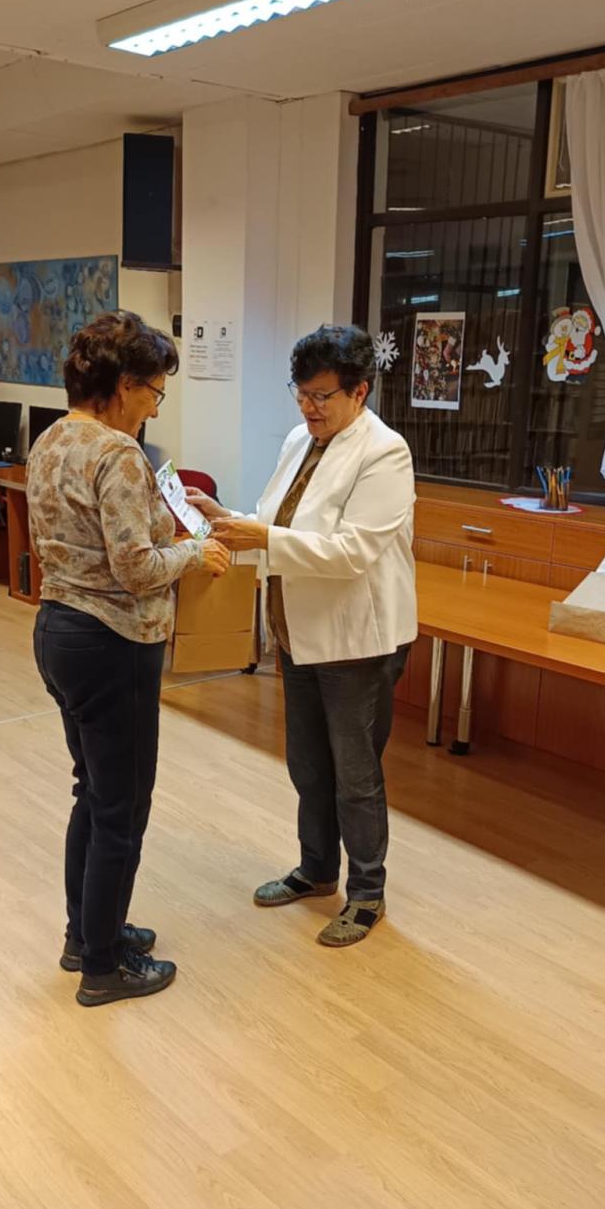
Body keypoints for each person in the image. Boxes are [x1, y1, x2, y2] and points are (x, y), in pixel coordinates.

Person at [186, 324, 416, 947]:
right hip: (297, 632)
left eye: (321, 396)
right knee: (308, 765)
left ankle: (366, 893)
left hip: (357, 641)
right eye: (301, 393)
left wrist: (261, 537)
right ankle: (317, 870)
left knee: (355, 773)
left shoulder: (385, 452)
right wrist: (226, 518)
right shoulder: (300, 440)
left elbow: (351, 551)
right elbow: (279, 521)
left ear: (359, 391)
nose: (308, 407)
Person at [27, 311, 230, 1005]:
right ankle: (104, 966)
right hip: (113, 642)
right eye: (153, 390)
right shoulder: (117, 453)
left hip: (59, 631)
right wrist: (195, 552)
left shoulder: (51, 438)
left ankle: (87, 933)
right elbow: (137, 569)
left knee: (93, 792)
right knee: (122, 809)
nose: (155, 406)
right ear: (121, 386)